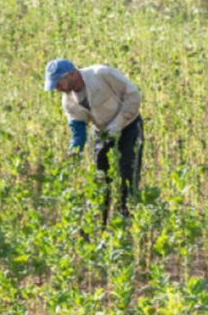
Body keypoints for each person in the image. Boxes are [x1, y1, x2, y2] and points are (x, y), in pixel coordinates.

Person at [44, 58, 143, 223]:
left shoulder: (102, 74)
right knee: (99, 181)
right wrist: (73, 154)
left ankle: (125, 223)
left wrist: (117, 125)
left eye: (58, 83)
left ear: (72, 75)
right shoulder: (68, 102)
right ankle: (97, 227)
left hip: (129, 127)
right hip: (101, 132)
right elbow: (78, 131)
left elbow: (133, 96)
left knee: (127, 176)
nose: (57, 89)